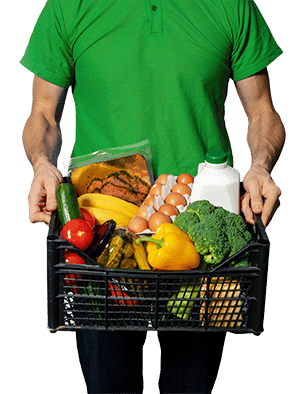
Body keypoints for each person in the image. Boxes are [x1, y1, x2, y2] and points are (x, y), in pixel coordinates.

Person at [20, 1, 285, 393]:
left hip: (201, 239)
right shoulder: (68, 6)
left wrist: (260, 165)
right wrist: (42, 163)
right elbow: (42, 114)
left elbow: (262, 110)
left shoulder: (231, 5)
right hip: (100, 239)